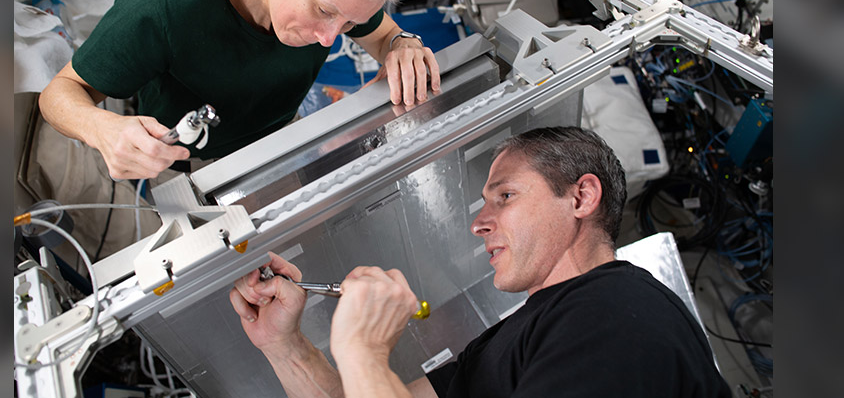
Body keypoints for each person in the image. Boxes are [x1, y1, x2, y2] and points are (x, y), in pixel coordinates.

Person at [229, 126, 733, 397]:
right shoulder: (522, 335)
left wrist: (363, 346)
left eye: (505, 196)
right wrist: (285, 344)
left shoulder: (619, 318)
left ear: (581, 197)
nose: (478, 222)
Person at [38, 0, 440, 181]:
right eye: (324, 12)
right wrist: (102, 130)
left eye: (349, 25)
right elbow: (59, 93)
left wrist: (401, 43)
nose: (328, 39)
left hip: (279, 135)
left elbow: (385, 32)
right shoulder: (164, 7)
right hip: (186, 160)